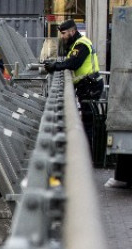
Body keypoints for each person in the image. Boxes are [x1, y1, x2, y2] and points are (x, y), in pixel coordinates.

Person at [45, 19, 103, 157]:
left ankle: (87, 157)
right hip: (88, 86)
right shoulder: (76, 44)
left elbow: (74, 63)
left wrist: (55, 66)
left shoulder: (81, 44)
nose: (62, 36)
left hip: (90, 86)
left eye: (64, 33)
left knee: (88, 123)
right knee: (87, 122)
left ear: (73, 31)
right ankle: (87, 155)